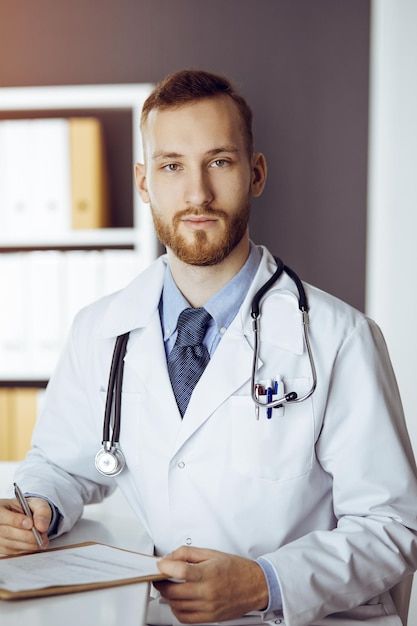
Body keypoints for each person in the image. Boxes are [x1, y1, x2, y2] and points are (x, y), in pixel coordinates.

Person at [1, 69, 417, 626]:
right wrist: (39, 507)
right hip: (159, 614)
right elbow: (62, 462)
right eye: (172, 166)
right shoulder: (101, 330)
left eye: (219, 161)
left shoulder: (340, 338)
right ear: (145, 183)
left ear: (256, 173)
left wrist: (262, 583)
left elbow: (393, 527)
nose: (197, 193)